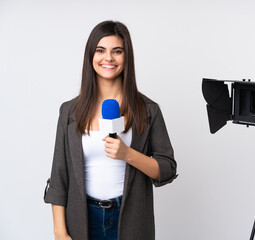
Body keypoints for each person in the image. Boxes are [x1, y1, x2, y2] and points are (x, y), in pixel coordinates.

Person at [44, 20, 177, 240]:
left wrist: (128, 154)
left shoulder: (148, 110)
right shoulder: (69, 112)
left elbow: (167, 168)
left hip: (131, 220)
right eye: (100, 50)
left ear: (127, 57)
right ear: (91, 56)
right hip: (82, 220)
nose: (108, 58)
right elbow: (59, 176)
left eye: (117, 51)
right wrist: (60, 231)